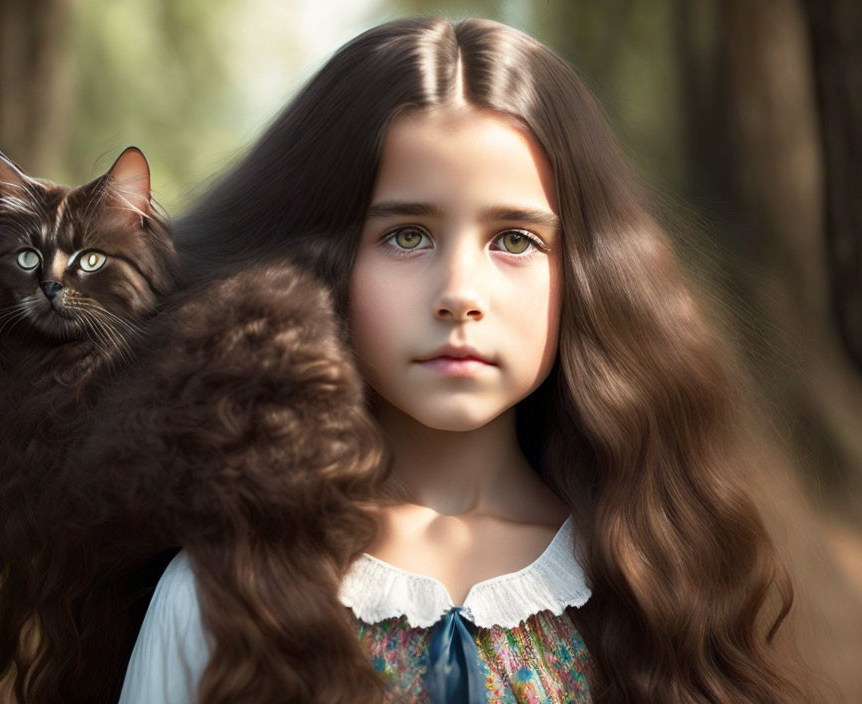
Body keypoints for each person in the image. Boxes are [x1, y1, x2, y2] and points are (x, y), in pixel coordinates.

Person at [110, 16, 831, 704]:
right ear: (316, 262)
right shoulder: (221, 594)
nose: (459, 294)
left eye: (514, 240)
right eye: (407, 236)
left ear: (588, 273)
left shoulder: (656, 584)